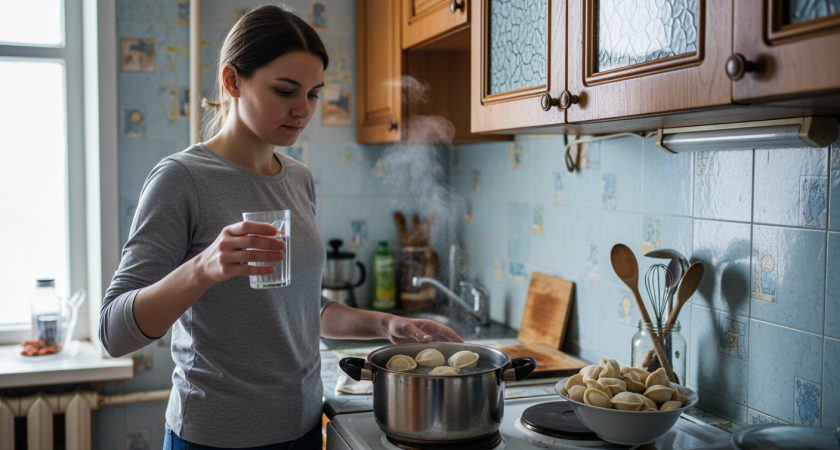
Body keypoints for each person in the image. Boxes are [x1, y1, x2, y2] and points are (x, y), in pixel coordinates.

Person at [99, 5, 462, 449]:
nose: (302, 110)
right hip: (215, 437)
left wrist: (387, 326)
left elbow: (303, 308)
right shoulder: (181, 179)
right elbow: (114, 332)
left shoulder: (298, 178)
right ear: (232, 81)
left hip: (305, 429)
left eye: (313, 93)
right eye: (285, 90)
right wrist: (204, 267)